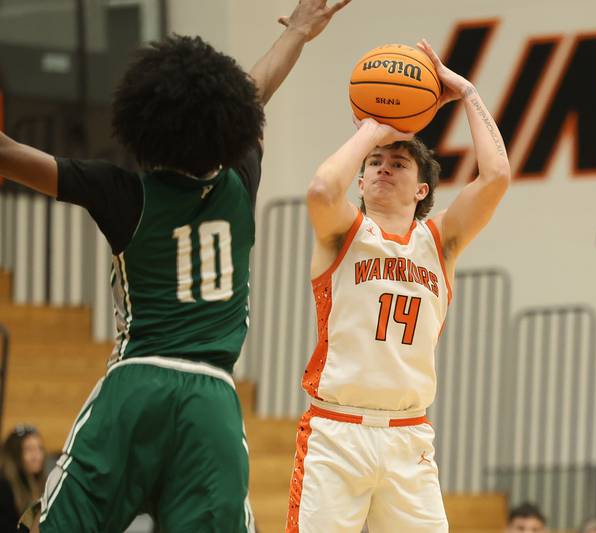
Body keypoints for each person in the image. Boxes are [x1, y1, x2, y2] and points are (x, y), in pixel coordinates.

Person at [0, 1, 351, 531]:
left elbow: (8, 155)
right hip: (211, 398)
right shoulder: (241, 181)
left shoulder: (121, 194)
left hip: (136, 388)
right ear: (226, 126)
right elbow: (254, 94)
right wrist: (298, 32)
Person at [286, 38, 511, 532]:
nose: (384, 166)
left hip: (408, 437)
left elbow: (495, 177)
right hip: (336, 432)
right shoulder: (343, 232)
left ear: (422, 189)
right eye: (375, 162)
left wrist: (468, 92)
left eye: (399, 162)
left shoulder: (441, 241)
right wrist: (373, 127)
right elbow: (323, 188)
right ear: (361, 182)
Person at [0, 426, 46, 531]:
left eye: (40, 448)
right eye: (29, 450)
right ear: (14, 454)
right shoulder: (4, 487)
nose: (37, 456)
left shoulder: (42, 482)